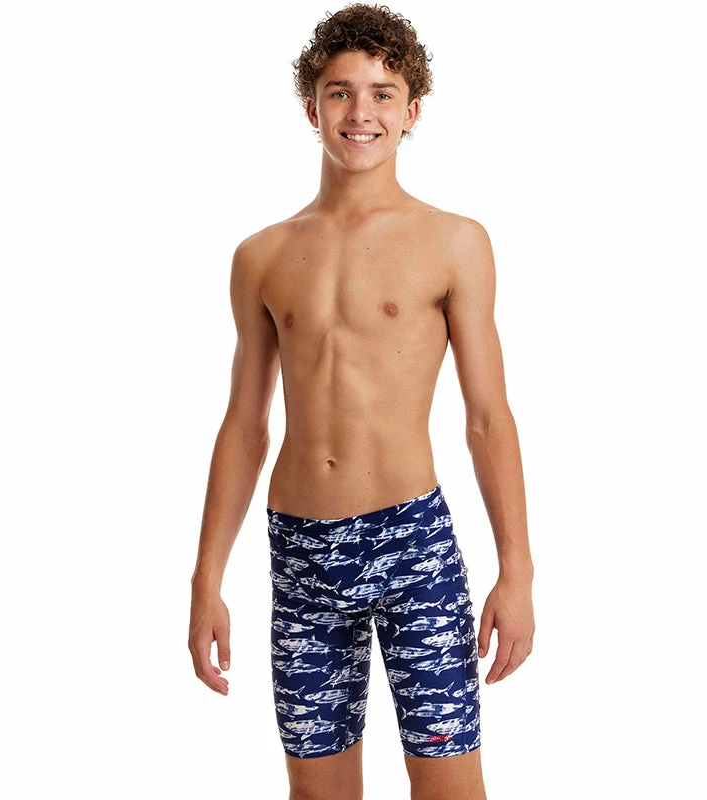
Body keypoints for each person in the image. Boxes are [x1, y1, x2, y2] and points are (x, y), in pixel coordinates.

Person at [188, 4, 535, 798]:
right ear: (312, 107)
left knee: (449, 789)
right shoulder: (261, 256)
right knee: (317, 793)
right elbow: (244, 426)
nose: (360, 112)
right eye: (340, 92)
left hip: (412, 546)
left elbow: (488, 419)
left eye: (383, 93)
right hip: (301, 553)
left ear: (412, 111)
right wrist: (206, 579)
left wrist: (516, 570)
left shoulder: (454, 242)